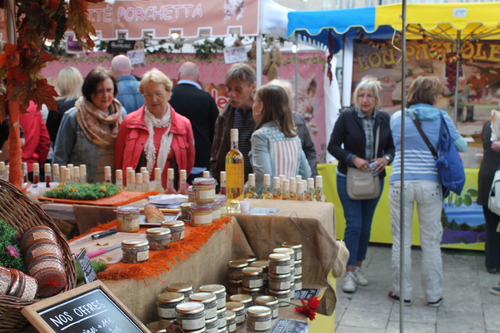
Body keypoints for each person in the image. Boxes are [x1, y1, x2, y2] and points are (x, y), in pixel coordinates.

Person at [388, 75, 467, 307]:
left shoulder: (396, 117)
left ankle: (402, 293)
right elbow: (460, 145)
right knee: (431, 242)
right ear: (433, 95)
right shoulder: (442, 117)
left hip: (400, 183)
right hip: (431, 185)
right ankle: (433, 295)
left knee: (400, 240)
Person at [327, 76, 394, 293]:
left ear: (376, 98)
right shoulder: (346, 116)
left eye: (369, 96)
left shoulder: (384, 119)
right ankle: (348, 272)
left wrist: (386, 159)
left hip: (373, 179)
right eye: (361, 95)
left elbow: (392, 148)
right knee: (354, 225)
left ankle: (358, 267)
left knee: (365, 227)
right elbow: (333, 146)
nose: (364, 100)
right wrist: (352, 158)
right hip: (349, 178)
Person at [115, 68, 195, 190]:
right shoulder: (129, 123)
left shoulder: (184, 125)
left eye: (158, 93)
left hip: (170, 195)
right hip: (136, 195)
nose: (154, 99)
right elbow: (119, 160)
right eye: (148, 94)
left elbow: (188, 162)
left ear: (169, 93)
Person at [53, 67, 126, 183]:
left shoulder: (121, 115)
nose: (105, 95)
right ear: (90, 92)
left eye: (109, 90)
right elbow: (60, 159)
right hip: (83, 190)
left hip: (114, 189)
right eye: (99, 91)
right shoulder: (73, 117)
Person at [250, 84, 311, 195]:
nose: (252, 106)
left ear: (261, 106)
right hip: (290, 199)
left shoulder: (260, 136)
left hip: (268, 201)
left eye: (254, 102)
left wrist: (247, 190)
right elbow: (306, 173)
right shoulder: (293, 135)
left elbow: (263, 174)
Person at [169, 62, 219, 183]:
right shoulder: (206, 98)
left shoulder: (168, 96)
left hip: (172, 158)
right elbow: (216, 131)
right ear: (198, 77)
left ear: (179, 75)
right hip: (200, 159)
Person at [210, 63, 256, 185]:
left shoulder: (263, 113)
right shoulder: (225, 116)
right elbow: (216, 153)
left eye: (238, 89)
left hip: (257, 184)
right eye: (229, 89)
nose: (232, 94)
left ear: (252, 87)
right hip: (231, 184)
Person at [268, 79, 318, 178]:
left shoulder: (298, 119)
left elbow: (308, 151)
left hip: (296, 180)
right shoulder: (263, 123)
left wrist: (311, 178)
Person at [477, 120, 500, 274]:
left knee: (492, 224)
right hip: (494, 180)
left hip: (488, 179)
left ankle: (492, 262)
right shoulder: (489, 125)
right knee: (492, 224)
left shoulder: (488, 124)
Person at [46, 66, 84, 144]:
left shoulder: (56, 106)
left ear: (61, 84)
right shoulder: (88, 103)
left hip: (63, 148)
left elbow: (50, 133)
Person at [20, 101, 51, 181]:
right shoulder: (33, 107)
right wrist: (37, 163)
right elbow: (44, 140)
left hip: (7, 167)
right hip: (30, 166)